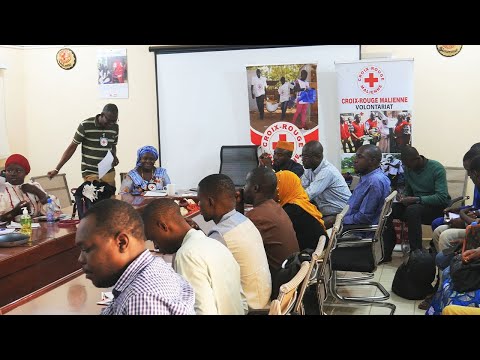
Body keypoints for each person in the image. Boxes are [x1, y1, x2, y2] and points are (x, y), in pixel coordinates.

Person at [76, 198, 195, 315]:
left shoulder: (142, 297)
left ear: (121, 242)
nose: (80, 259)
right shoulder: (154, 268)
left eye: (86, 249)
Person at [142, 198, 247, 315]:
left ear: (163, 226)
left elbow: (203, 312)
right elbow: (243, 304)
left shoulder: (186, 255)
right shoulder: (216, 245)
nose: (156, 246)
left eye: (153, 238)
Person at [197, 173, 271, 310]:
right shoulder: (242, 220)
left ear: (210, 202)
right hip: (261, 298)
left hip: (248, 308)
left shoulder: (220, 234)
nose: (198, 205)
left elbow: (205, 274)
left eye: (200, 201)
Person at [383, 146, 450, 262]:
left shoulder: (436, 168)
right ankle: (387, 251)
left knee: (413, 210)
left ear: (417, 159)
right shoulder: (409, 169)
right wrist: (403, 196)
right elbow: (409, 190)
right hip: (416, 206)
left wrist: (416, 199)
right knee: (390, 209)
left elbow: (442, 197)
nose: (406, 167)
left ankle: (416, 253)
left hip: (436, 209)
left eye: (408, 164)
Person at [243, 167, 299, 280]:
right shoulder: (275, 207)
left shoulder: (257, 216)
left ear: (255, 188)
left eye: (246, 184)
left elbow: (231, 245)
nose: (243, 188)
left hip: (275, 284)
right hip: (290, 277)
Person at [47, 104, 119, 188]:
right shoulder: (85, 125)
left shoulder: (115, 127)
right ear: (102, 115)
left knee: (110, 198)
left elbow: (113, 145)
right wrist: (57, 169)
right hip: (90, 171)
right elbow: (72, 147)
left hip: (107, 170)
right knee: (95, 198)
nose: (111, 124)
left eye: (114, 121)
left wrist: (114, 156)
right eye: (109, 120)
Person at [301, 140, 351, 229]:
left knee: (311, 230)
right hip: (325, 211)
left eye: (306, 157)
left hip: (340, 214)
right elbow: (301, 188)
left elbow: (307, 195)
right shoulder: (309, 169)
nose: (302, 160)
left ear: (318, 157)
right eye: (302, 156)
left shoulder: (327, 171)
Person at [276, 170, 328, 251]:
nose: (275, 191)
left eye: (277, 186)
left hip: (308, 257)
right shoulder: (303, 202)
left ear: (284, 187)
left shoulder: (292, 211)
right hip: (319, 250)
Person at [0, 154, 60, 222]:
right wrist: (15, 212)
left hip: (36, 229)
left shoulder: (34, 186)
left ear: (26, 173)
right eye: (9, 170)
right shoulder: (1, 189)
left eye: (18, 170)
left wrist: (38, 192)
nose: (13, 173)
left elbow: (55, 212)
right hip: (10, 231)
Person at [343, 145, 391, 228]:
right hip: (351, 222)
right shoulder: (368, 177)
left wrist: (341, 220)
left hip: (357, 230)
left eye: (359, 157)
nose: (355, 161)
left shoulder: (374, 181)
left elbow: (364, 217)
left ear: (372, 161)